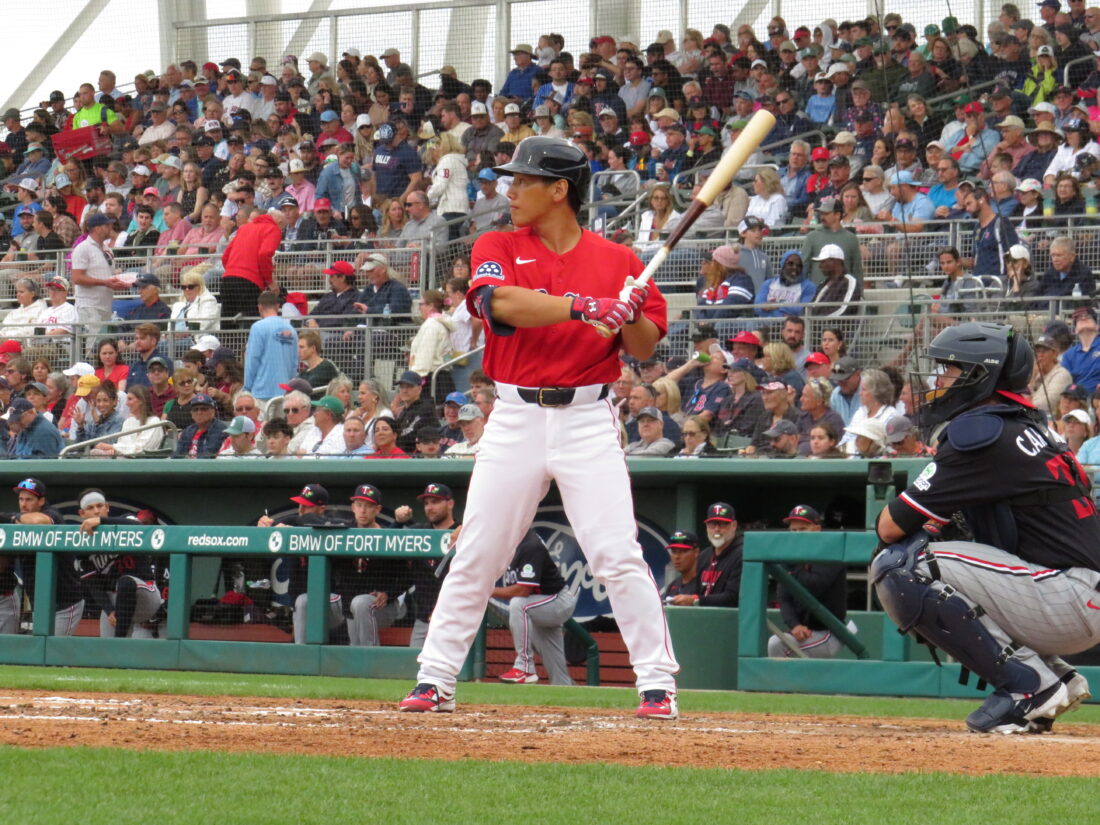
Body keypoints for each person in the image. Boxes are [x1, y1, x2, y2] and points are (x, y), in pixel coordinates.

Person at [399, 136, 679, 720]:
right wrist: (584, 306)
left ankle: (657, 684)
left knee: (616, 553)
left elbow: (643, 346)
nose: (511, 190)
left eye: (523, 180)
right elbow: (497, 303)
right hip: (515, 415)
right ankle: (436, 678)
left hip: (588, 417)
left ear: (559, 190)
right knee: (479, 550)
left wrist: (627, 313)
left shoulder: (620, 261)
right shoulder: (498, 243)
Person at [873, 322, 1097, 734]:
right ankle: (1053, 675)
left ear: (980, 375)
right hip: (1075, 594)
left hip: (1068, 597)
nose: (938, 380)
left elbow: (888, 527)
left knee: (900, 565)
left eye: (950, 369)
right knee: (938, 545)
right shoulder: (1028, 425)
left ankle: (1029, 687)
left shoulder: (983, 434)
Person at [491, 529, 576, 686]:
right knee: (559, 675)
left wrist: (487, 591)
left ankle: (524, 667)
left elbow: (523, 590)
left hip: (557, 600)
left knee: (519, 605)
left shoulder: (530, 544)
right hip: (540, 604)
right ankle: (566, 692)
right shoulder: (506, 542)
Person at [767, 504, 851, 658]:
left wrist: (794, 561)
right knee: (777, 644)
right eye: (794, 530)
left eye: (803, 529)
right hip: (803, 632)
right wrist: (794, 625)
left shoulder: (830, 551)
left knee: (777, 645)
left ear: (817, 529)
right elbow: (784, 598)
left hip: (830, 632)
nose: (797, 534)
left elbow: (813, 586)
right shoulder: (790, 557)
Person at [77, 489, 163, 638]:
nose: (96, 511)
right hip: (115, 601)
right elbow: (93, 584)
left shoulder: (125, 519)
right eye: (90, 508)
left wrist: (101, 521)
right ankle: (117, 647)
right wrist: (109, 610)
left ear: (107, 507)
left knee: (126, 582)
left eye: (100, 506)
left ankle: (120, 639)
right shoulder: (82, 543)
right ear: (82, 513)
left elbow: (140, 527)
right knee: (108, 648)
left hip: (144, 594)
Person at [220, 208, 283, 327]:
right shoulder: (273, 229)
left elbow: (225, 256)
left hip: (228, 279)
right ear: (279, 223)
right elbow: (264, 254)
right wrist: (269, 281)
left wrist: (233, 270)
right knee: (251, 324)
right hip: (249, 282)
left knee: (227, 326)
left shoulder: (244, 228)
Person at [244, 292, 298, 403]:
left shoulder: (258, 328)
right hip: (284, 392)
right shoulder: (291, 330)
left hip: (261, 392)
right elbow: (294, 363)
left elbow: (252, 360)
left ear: (259, 307)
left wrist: (247, 387)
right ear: (278, 306)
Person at [89, 385, 163, 457]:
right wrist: (115, 450)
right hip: (124, 461)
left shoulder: (154, 422)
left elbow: (142, 449)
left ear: (141, 400)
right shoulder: (129, 422)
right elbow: (123, 444)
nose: (126, 403)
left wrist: (113, 448)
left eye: (130, 399)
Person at [173, 393, 228, 458]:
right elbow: (177, 455)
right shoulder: (188, 431)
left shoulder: (220, 430)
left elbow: (207, 457)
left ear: (213, 412)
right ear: (191, 413)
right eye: (195, 409)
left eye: (204, 409)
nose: (199, 412)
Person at [660, 530, 700, 601]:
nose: (677, 557)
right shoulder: (673, 585)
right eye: (674, 552)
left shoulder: (703, 584)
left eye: (683, 551)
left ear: (696, 552)